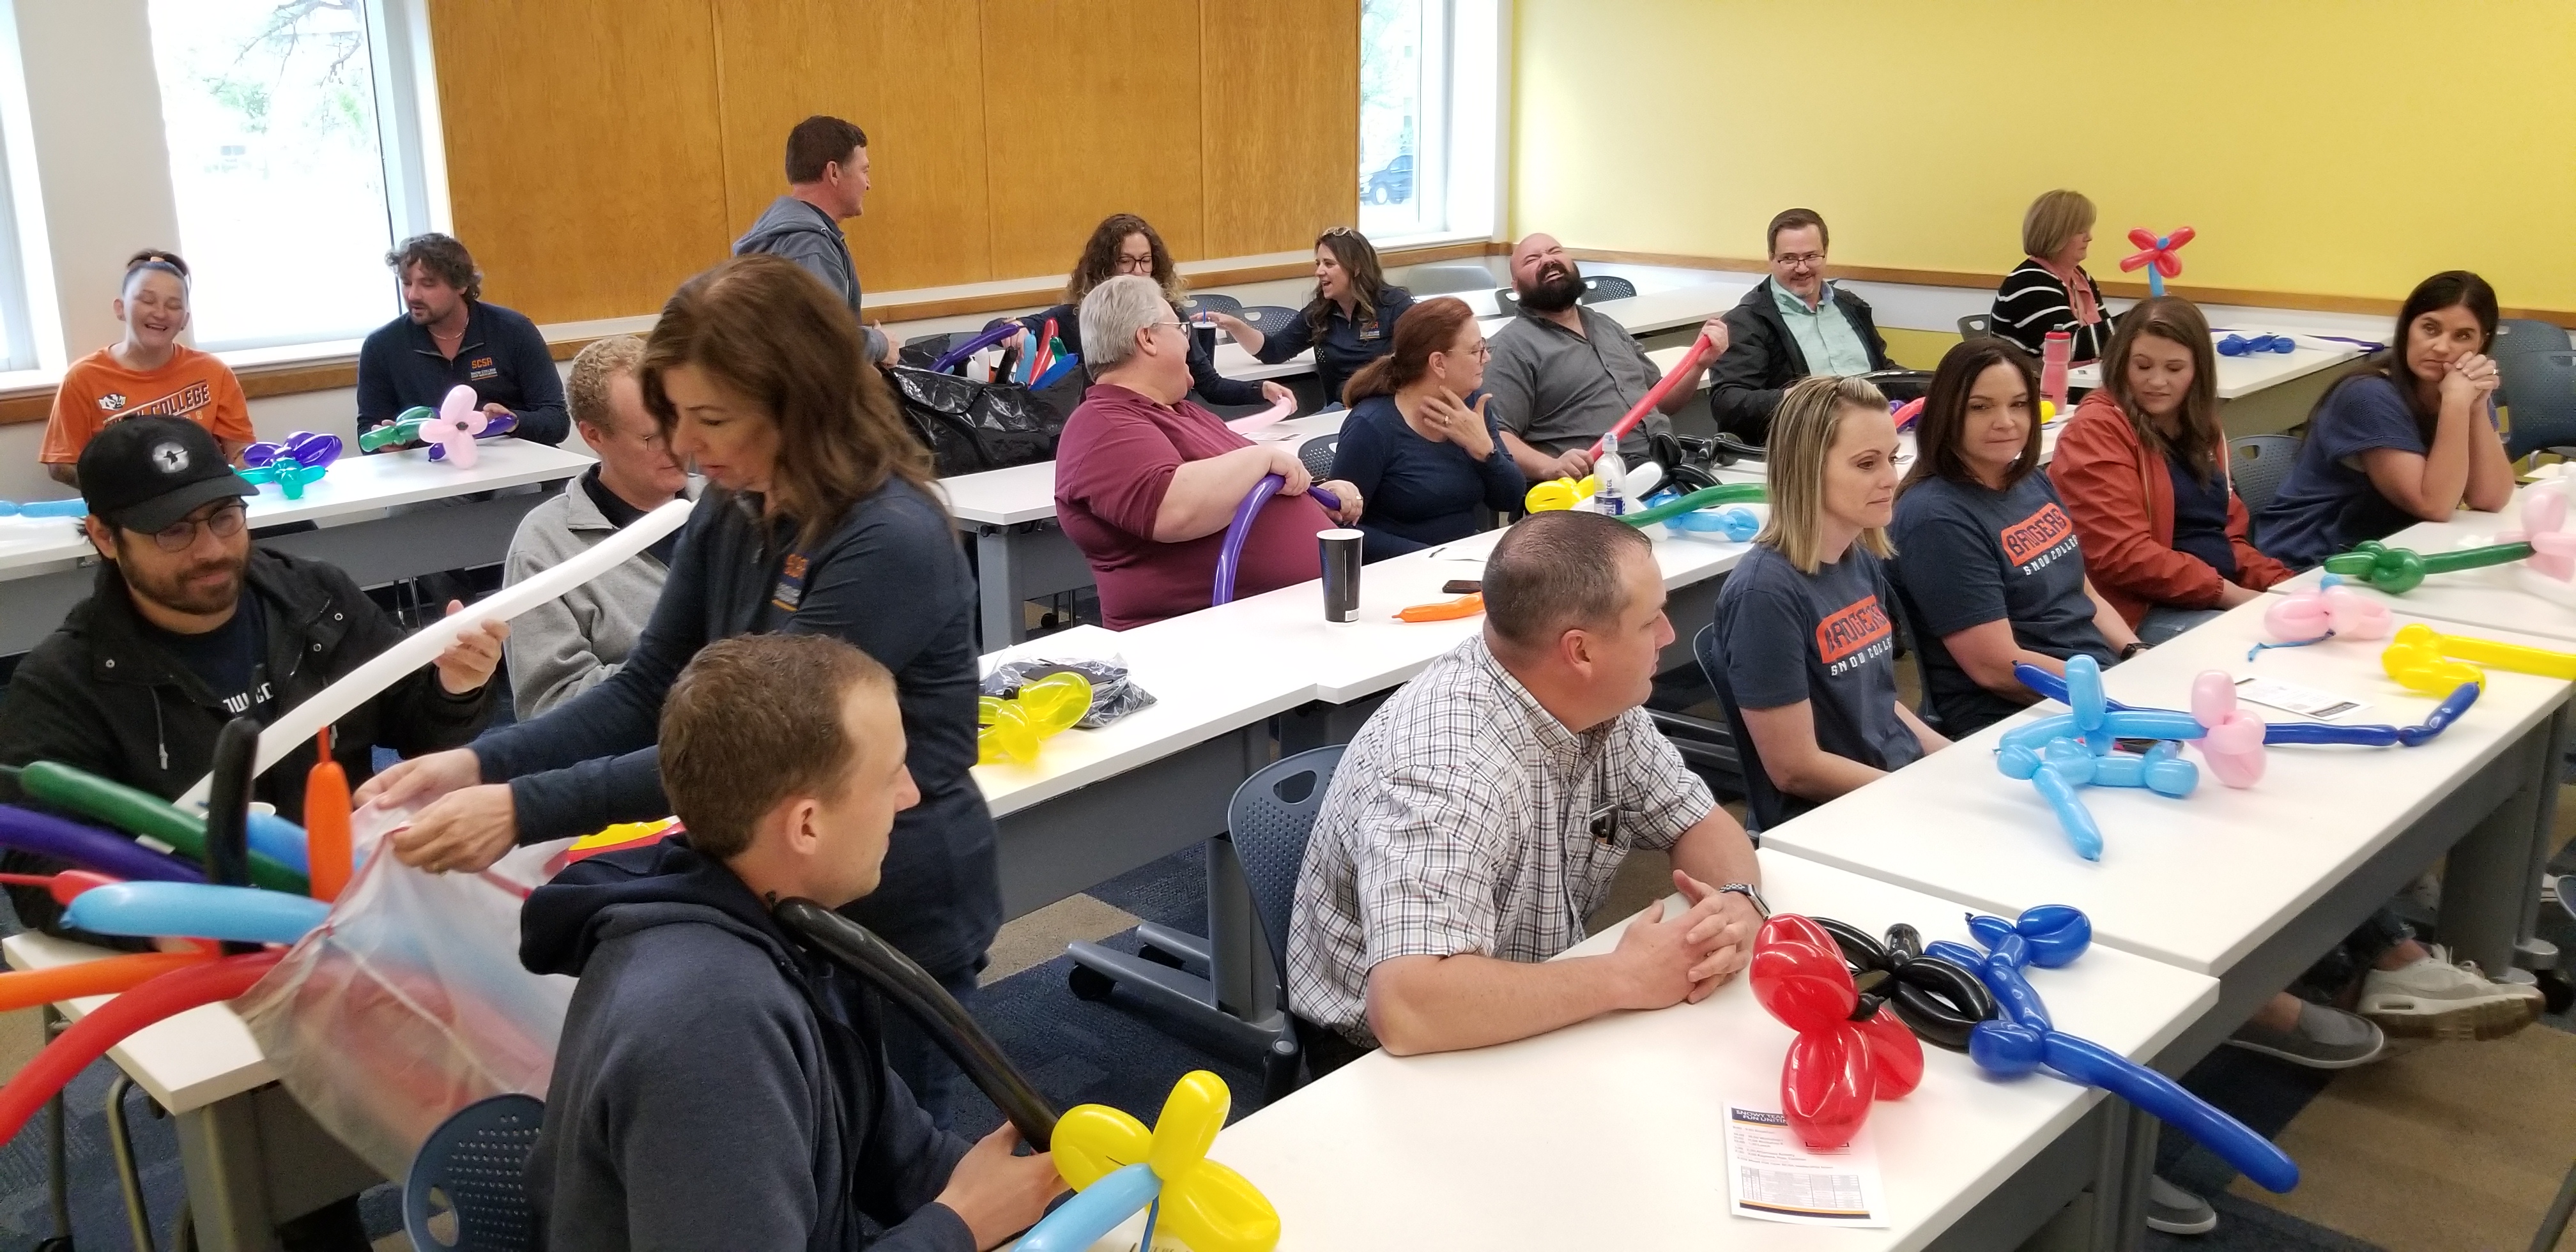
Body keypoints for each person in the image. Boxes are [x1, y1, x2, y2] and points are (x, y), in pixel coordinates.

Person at [354, 255, 1001, 1128]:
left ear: (798, 402)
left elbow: (755, 754)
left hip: (890, 899)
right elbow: (646, 690)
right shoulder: (736, 506)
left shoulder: (887, 539)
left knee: (892, 1160)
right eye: (677, 420)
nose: (689, 449)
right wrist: (476, 761)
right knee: (804, 1146)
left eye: (711, 419)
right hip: (778, 882)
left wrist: (519, 808)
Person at [0, 416, 502, 1252]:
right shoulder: (70, 681)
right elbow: (29, 858)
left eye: (224, 518)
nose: (210, 550)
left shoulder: (317, 602)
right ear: (103, 537)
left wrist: (457, 687)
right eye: (173, 532)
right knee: (288, 1194)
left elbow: (422, 734)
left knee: (534, 1078)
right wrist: (154, 913)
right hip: (222, 971)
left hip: (367, 925)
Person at [524, 633, 1064, 1252]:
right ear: (807, 823)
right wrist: (960, 1226)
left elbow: (899, 1152)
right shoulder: (709, 1026)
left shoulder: (793, 928)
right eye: (890, 774)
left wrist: (1054, 1201)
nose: (910, 795)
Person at [1288, 510, 1763, 1071]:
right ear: (1580, 651)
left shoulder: (1598, 701)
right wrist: (1623, 976)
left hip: (1521, 1002)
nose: (1669, 636)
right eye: (1650, 622)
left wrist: (1737, 905)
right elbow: (1409, 1006)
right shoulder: (1449, 768)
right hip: (1390, 1063)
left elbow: (1694, 820)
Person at [1051, 275, 1361, 629]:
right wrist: (1262, 458)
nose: (1189, 343)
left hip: (1288, 622)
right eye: (1180, 328)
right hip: (1203, 648)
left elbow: (1243, 488)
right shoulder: (1102, 425)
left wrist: (1316, 497)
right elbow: (1174, 509)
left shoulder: (1182, 411)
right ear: (1147, 338)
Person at [1712, 376, 1945, 823]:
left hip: (1892, 788)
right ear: (1807, 468)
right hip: (1833, 820)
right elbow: (1795, 769)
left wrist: (1957, 762)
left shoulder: (1858, 559)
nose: (1891, 479)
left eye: (1892, 459)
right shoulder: (1765, 594)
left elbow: (1878, 702)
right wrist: (1918, 795)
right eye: (1866, 464)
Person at [1889, 338, 2138, 736]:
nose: (2005, 421)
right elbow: (1997, 667)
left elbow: (2084, 593)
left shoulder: (2028, 478)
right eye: (1980, 407)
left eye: (2019, 404)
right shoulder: (1935, 518)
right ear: (1946, 414)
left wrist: (2135, 653)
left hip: (2089, 683)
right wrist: (2110, 692)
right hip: (2015, 715)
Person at [2049, 297, 2293, 644]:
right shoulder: (2095, 432)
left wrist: (2281, 584)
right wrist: (2231, 595)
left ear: (2198, 371)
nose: (2157, 381)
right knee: (2260, 643)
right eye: (2143, 366)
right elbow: (2123, 555)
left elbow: (2225, 537)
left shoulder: (2202, 427)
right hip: (2137, 613)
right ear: (2121, 364)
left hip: (2208, 592)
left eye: (2175, 369)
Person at [2257, 271, 2514, 570]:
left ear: (2482, 343)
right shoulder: (2368, 396)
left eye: (2463, 336)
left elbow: (2491, 498)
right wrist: (2457, 404)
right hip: (2314, 558)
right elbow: (2434, 505)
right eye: (2430, 329)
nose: (2443, 347)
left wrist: (2478, 405)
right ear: (2407, 329)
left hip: (2392, 550)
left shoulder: (2463, 386)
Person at [502, 335, 694, 717]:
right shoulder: (544, 547)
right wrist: (694, 670)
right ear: (594, 436)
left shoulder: (731, 504)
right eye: (651, 436)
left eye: (681, 421)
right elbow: (549, 707)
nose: (680, 445)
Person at [1483, 233, 1726, 482]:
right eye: (1532, 259)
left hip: (1666, 471)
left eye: (1554, 251)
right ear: (1515, 287)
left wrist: (1699, 365)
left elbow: (1660, 401)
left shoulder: (1606, 326)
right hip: (1597, 490)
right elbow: (1495, 434)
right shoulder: (1510, 348)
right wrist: (1551, 467)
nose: (1547, 260)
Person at [1020, 213, 1288, 411]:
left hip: (1170, 423)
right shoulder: (1075, 318)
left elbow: (1209, 383)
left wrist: (1260, 389)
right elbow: (1002, 328)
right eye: (1126, 262)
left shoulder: (1171, 318)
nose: (1138, 271)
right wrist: (1015, 330)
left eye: (1145, 261)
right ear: (1104, 267)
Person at [1326, 297, 1522, 559]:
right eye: (1476, 350)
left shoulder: (1472, 404)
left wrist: (1486, 453)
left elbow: (1509, 500)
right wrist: (1432, 557)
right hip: (1402, 572)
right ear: (1438, 363)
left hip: (1466, 562)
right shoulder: (1372, 426)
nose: (1486, 358)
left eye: (1484, 347)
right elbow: (1341, 529)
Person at [41, 250, 252, 487]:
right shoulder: (82, 378)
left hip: (201, 507)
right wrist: (120, 492)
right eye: (147, 300)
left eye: (173, 305)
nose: (160, 313)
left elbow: (240, 454)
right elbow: (61, 465)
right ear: (120, 308)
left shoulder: (214, 372)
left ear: (185, 320)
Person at [356, 233, 568, 447]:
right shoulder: (382, 346)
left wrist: (513, 421)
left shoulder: (513, 330)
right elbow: (367, 431)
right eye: (407, 283)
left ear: (461, 285)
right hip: (430, 471)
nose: (413, 296)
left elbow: (557, 421)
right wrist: (384, 442)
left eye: (428, 284)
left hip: (513, 466)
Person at [1707, 210, 1896, 445]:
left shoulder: (1851, 307)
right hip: (1805, 448)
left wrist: (1936, 389)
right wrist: (1793, 399)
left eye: (1811, 256)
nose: (1802, 268)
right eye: (1789, 259)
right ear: (1771, 258)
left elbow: (1883, 369)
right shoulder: (1747, 321)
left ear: (1825, 254)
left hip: (1877, 434)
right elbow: (1728, 403)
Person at [734, 114, 899, 369]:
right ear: (834, 172)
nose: (869, 184)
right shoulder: (809, 248)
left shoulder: (780, 231)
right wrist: (880, 344)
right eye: (864, 171)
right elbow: (823, 345)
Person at [1209, 226, 1415, 406]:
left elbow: (1417, 365)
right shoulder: (1320, 312)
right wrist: (1235, 325)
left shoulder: (1395, 305)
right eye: (1318, 264)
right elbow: (1274, 351)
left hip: (1389, 407)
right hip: (1340, 409)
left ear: (1356, 268)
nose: (1319, 272)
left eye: (1329, 264)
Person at [1991, 189, 2113, 365]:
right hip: (2035, 387)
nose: (2090, 238)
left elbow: (2107, 336)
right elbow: (2071, 347)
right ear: (2056, 233)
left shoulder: (2081, 278)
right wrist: (2139, 320)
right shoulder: (2029, 282)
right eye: (2081, 231)